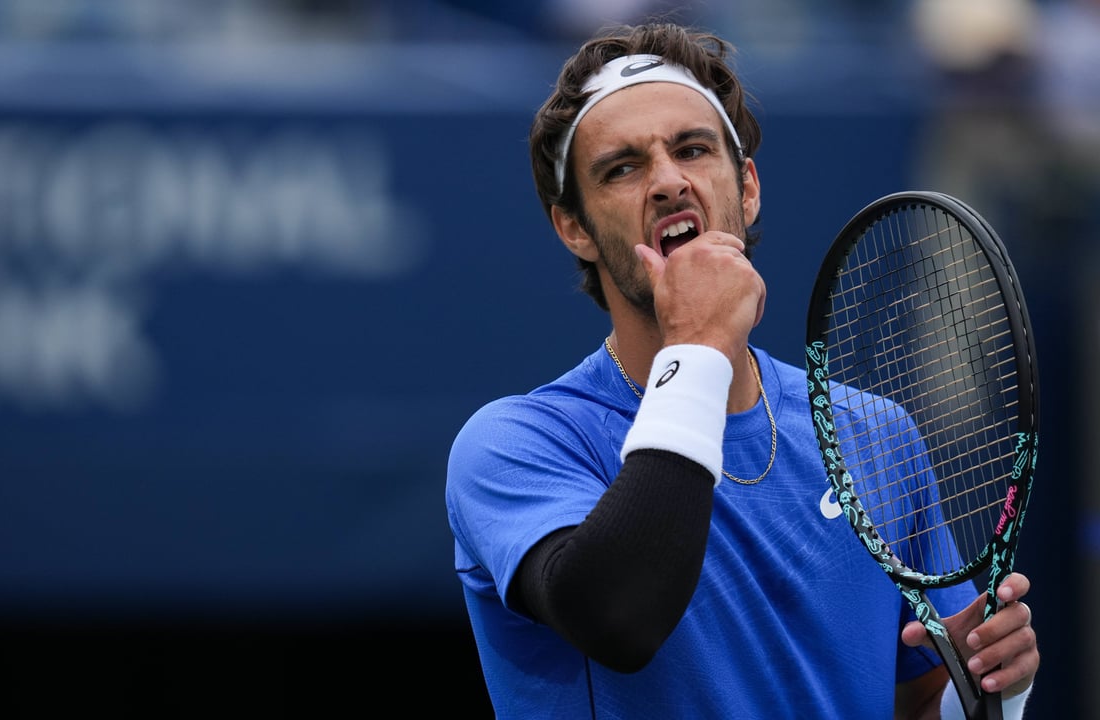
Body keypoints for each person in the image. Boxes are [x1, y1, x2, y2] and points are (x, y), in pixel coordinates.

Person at [443, 20, 1040, 719]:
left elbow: (919, 701)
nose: (669, 181)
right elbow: (618, 618)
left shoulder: (878, 435)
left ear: (747, 187)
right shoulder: (516, 445)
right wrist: (699, 344)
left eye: (692, 149)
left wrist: (992, 691)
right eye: (623, 168)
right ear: (574, 227)